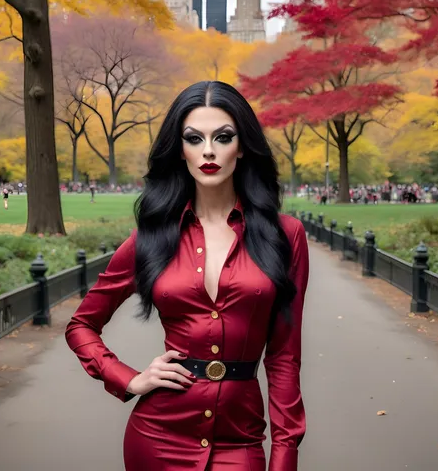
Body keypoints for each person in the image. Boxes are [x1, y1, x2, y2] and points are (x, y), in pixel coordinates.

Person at [65, 81, 309, 471]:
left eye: (223, 137)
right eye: (194, 139)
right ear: (180, 150)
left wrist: (284, 457)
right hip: (157, 438)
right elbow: (81, 325)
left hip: (240, 440)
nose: (208, 150)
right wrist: (129, 379)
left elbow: (283, 358)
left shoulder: (285, 235)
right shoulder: (151, 236)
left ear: (242, 146)